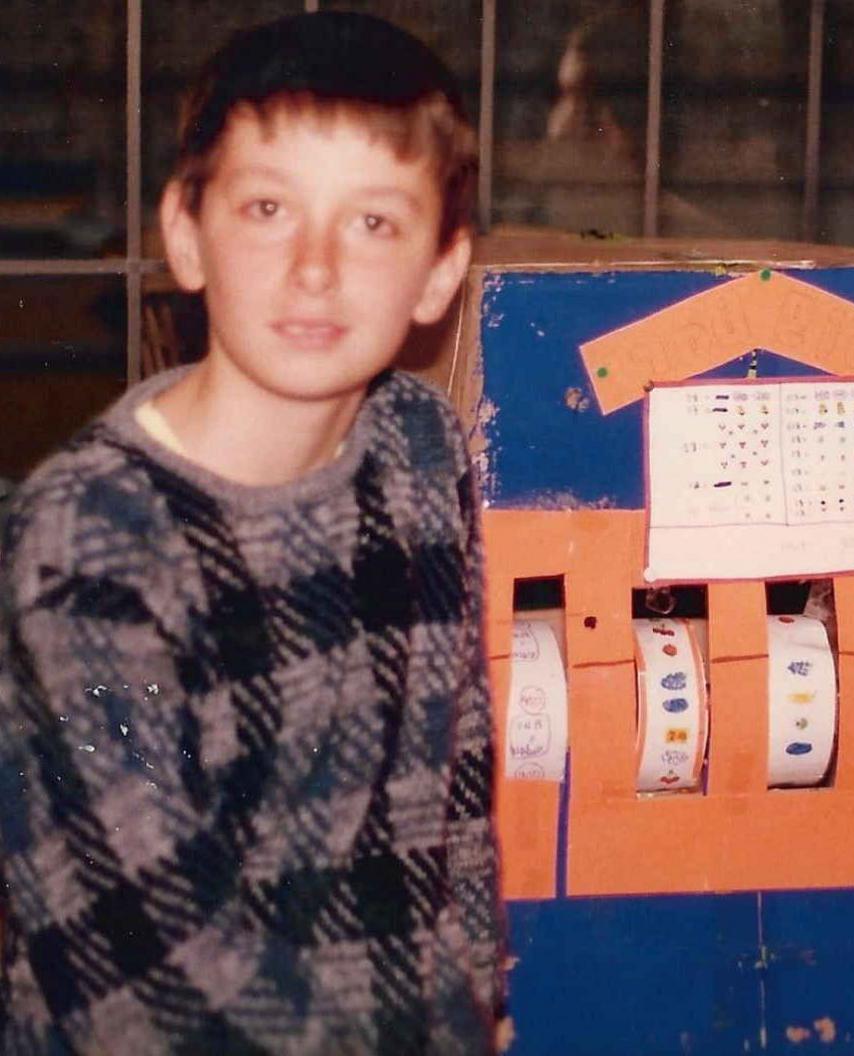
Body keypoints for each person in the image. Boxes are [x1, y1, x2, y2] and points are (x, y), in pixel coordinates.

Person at [0, 12, 505, 1054]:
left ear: (442, 272)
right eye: (269, 208)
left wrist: (470, 997)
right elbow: (145, 974)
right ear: (185, 233)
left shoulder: (417, 445)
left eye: (374, 223)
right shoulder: (92, 541)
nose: (315, 269)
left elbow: (453, 784)